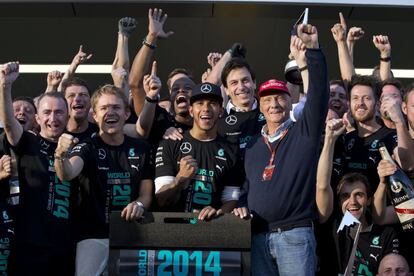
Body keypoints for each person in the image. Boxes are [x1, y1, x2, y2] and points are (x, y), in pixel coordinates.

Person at [233, 24, 328, 275]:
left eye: (279, 98)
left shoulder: (303, 132)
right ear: (260, 105)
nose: (274, 104)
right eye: (267, 99)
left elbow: (318, 96)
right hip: (257, 238)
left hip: (295, 236)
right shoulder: (252, 145)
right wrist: (240, 204)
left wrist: (311, 53)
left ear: (290, 101)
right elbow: (246, 187)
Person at [54, 84, 153, 275]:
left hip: (132, 234)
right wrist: (60, 155)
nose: (110, 113)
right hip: (92, 236)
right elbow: (67, 173)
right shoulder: (87, 146)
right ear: (95, 116)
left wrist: (139, 204)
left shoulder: (141, 148)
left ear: (126, 114)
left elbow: (146, 194)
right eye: (104, 108)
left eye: (116, 107)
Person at [0, 62, 77, 275]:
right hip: (27, 246)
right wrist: (5, 86)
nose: (53, 118)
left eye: (59, 112)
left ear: (68, 115)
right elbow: (8, 125)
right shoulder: (27, 142)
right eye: (47, 112)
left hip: (64, 247)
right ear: (38, 118)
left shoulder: (78, 147)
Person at [316, 119, 399, 275]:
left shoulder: (386, 233)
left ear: (369, 199)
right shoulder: (330, 226)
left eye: (359, 195)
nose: (352, 202)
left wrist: (382, 181)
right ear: (338, 200)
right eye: (345, 196)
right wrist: (329, 140)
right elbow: (322, 185)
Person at [154, 82, 242, 219]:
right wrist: (180, 179)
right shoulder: (170, 143)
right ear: (190, 110)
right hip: (173, 232)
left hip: (211, 233)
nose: (206, 108)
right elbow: (161, 200)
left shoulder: (231, 150)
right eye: (199, 103)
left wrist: (217, 213)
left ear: (221, 111)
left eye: (212, 103)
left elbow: (231, 199)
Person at [332, 74, 414, 194]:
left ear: (377, 104)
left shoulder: (391, 137)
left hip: (381, 211)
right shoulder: (344, 139)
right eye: (355, 98)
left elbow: (409, 165)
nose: (360, 103)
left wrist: (400, 121)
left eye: (366, 98)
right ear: (349, 104)